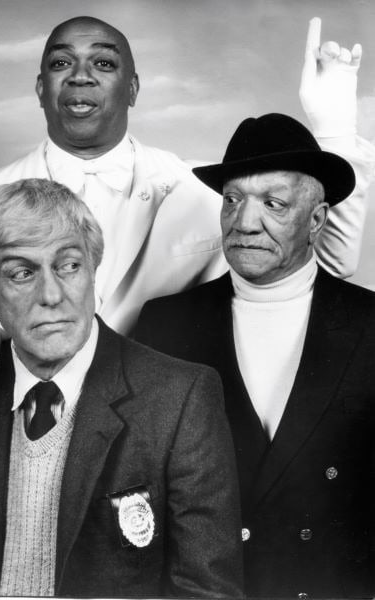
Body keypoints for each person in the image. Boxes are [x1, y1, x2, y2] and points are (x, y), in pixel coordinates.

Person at [0, 16, 374, 384]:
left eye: (103, 63)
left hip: (157, 438)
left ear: (133, 89)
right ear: (40, 88)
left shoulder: (208, 191)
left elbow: (320, 264)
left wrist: (336, 128)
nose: (80, 76)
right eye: (61, 63)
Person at [0, 178, 243, 598]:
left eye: (68, 265)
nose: (51, 295)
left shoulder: (181, 397)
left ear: (93, 272)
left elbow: (208, 592)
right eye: (21, 273)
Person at [134, 113, 375, 598]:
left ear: (317, 220)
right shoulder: (164, 324)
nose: (244, 222)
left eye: (273, 203)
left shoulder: (370, 324)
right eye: (232, 199)